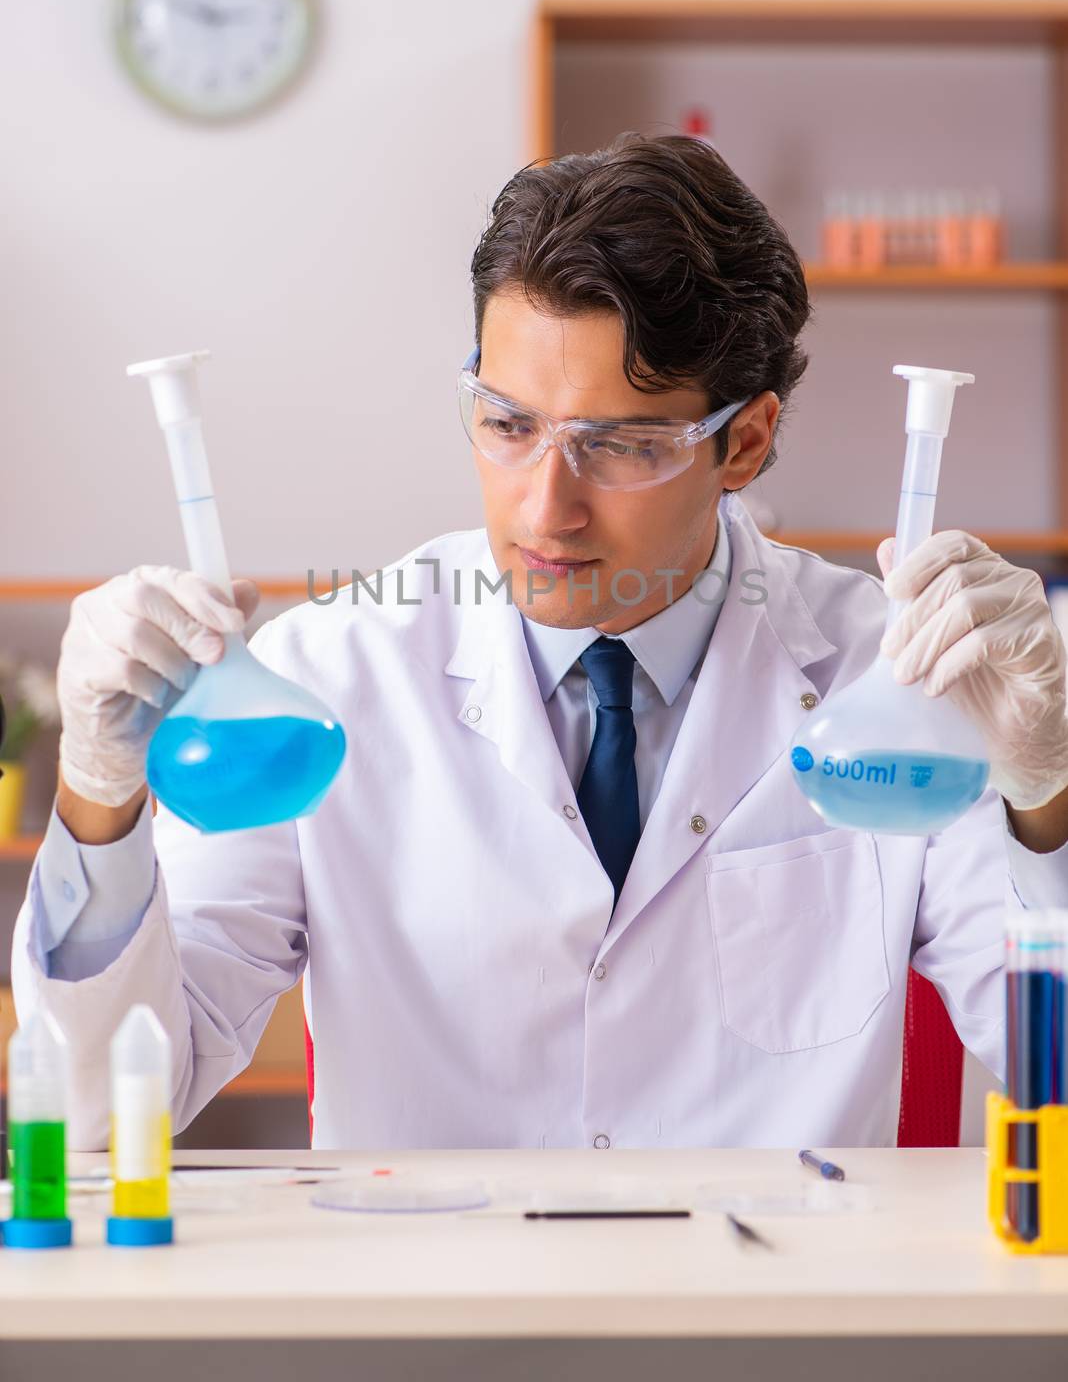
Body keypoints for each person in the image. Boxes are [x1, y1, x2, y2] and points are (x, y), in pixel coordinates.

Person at [13, 133, 1068, 1151]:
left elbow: (1053, 1066)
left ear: (744, 442)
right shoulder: (332, 674)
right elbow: (101, 1115)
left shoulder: (904, 680)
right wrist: (99, 799)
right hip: (432, 1315)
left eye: (620, 444)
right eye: (509, 425)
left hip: (773, 1320)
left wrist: (1049, 800)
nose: (545, 510)